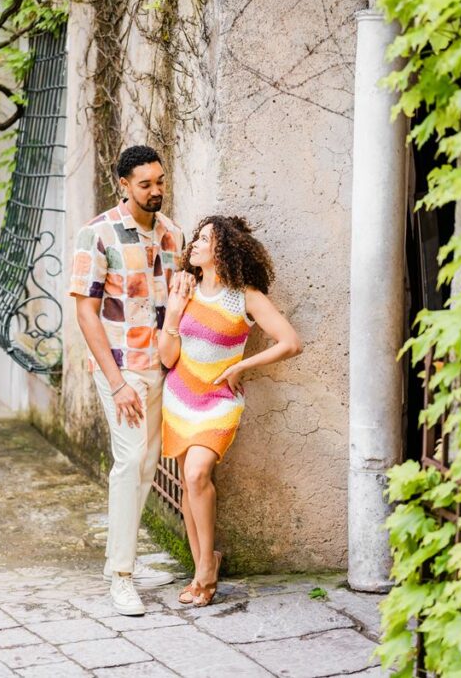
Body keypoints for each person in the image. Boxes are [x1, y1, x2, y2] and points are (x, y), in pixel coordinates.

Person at [158, 215, 302, 607]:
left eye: (205, 239)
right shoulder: (184, 287)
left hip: (219, 401)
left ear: (223, 249)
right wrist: (173, 313)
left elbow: (290, 342)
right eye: (197, 239)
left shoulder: (244, 296)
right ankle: (204, 563)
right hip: (180, 395)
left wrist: (241, 366)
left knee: (196, 472)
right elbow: (167, 358)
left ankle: (205, 572)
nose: (196, 244)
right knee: (191, 483)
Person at [69, 145, 182, 616]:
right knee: (130, 459)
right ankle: (121, 576)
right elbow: (85, 311)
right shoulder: (97, 234)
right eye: (145, 184)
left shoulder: (173, 234)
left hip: (163, 366)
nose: (155, 191)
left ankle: (124, 557)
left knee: (148, 462)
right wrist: (116, 383)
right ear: (123, 184)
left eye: (159, 181)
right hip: (122, 367)